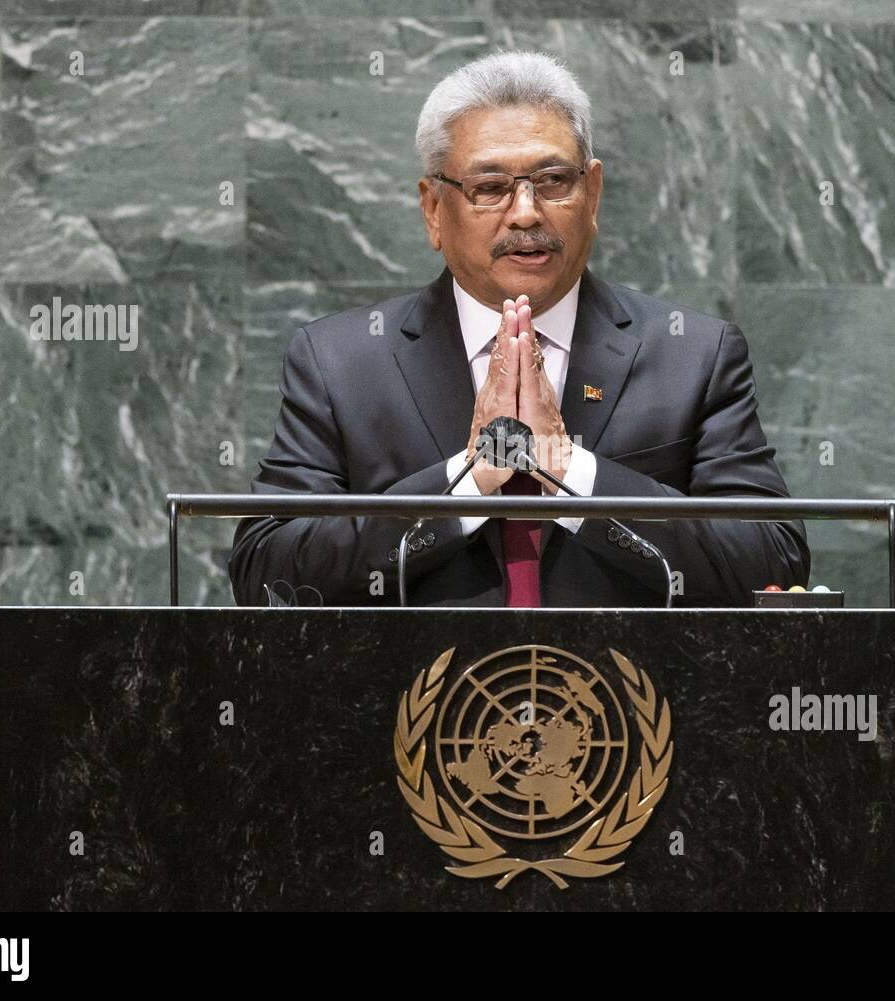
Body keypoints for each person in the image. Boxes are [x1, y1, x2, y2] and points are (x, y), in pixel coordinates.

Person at [229, 50, 809, 607]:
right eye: (489, 188)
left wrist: (570, 471)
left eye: (554, 180)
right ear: (433, 210)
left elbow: (771, 563)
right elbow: (267, 575)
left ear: (594, 194)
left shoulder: (695, 356)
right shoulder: (340, 363)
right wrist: (466, 483)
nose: (527, 212)